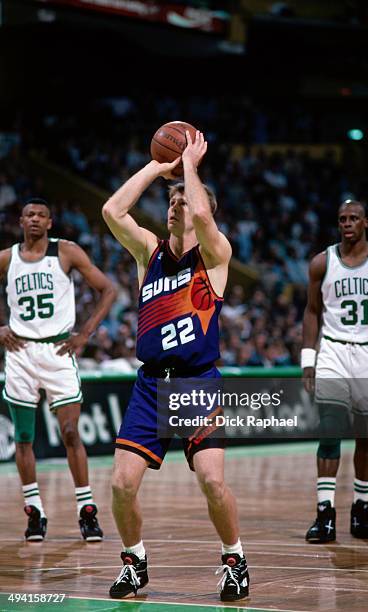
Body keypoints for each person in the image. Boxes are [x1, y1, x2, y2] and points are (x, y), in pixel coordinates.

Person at [102, 131, 250, 602]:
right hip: (151, 386)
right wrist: (157, 167)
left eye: (182, 202)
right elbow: (111, 211)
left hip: (197, 383)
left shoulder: (215, 257)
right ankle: (135, 561)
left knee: (212, 480)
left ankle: (235, 559)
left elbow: (204, 214)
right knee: (122, 485)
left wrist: (190, 168)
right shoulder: (149, 252)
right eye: (171, 202)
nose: (175, 206)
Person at [0, 198, 117, 541]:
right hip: (20, 352)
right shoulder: (7, 257)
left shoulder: (65, 252)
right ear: (20, 221)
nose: (34, 219)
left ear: (50, 223)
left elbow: (108, 289)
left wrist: (85, 334)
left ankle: (86, 510)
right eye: (29, 215)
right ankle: (34, 511)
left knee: (70, 433)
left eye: (41, 215)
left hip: (58, 349)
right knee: (23, 438)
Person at [301, 199, 368, 543]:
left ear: (365, 223)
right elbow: (312, 311)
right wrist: (308, 360)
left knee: (365, 437)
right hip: (332, 350)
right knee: (329, 433)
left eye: (353, 219)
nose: (347, 223)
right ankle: (325, 516)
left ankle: (361, 512)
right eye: (342, 218)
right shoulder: (322, 261)